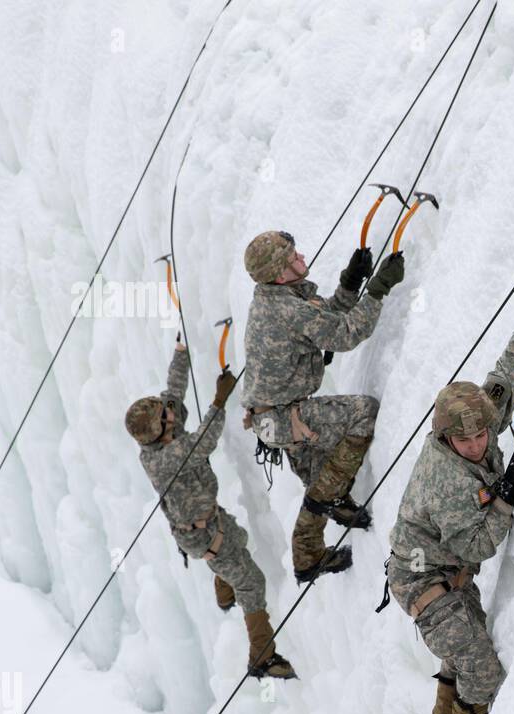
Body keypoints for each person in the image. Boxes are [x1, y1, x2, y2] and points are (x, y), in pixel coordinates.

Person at [387, 268, 514, 714]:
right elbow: (481, 543)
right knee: (482, 675)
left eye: (483, 436)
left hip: (446, 569)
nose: (479, 446)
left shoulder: (475, 421)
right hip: (423, 579)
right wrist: (507, 497)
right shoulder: (446, 482)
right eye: (466, 443)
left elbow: (506, 374)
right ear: (445, 440)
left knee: (463, 659)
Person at [240, 230, 405, 583]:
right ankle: (316, 534)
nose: (301, 258)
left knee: (321, 480)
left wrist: (350, 283)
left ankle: (315, 545)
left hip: (273, 417)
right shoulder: (284, 308)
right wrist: (377, 291)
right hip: (284, 417)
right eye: (292, 258)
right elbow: (344, 334)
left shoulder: (276, 296)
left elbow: (321, 320)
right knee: (364, 413)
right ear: (280, 273)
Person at [124, 338, 295, 679]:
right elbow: (203, 443)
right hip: (202, 535)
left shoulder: (163, 431)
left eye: (165, 410)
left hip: (207, 526)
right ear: (157, 430)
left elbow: (173, 391)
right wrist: (220, 400)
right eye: (164, 414)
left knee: (239, 542)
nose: (171, 412)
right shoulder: (164, 458)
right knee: (252, 582)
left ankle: (223, 590)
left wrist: (181, 352)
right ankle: (262, 656)